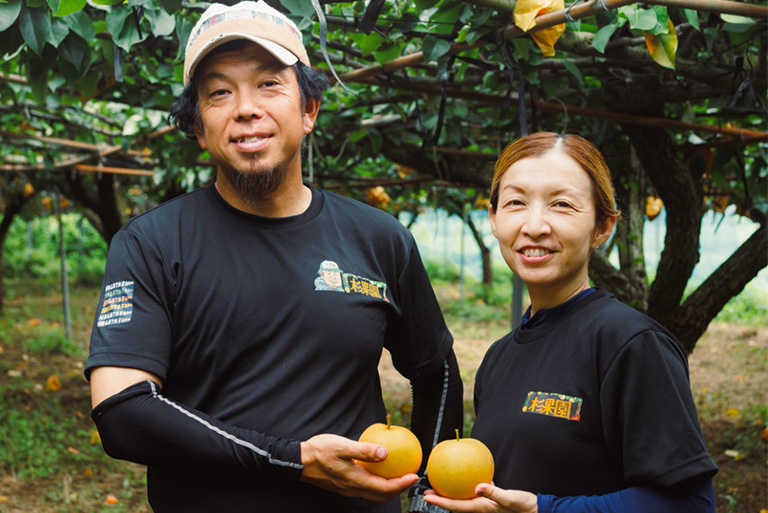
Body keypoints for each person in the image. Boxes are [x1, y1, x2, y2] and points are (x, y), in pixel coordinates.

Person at [85, 2, 463, 512]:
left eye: (269, 83)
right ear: (199, 127)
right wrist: (293, 460)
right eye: (219, 91)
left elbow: (435, 369)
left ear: (308, 110)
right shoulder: (151, 244)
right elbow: (122, 412)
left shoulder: (380, 238)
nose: (246, 107)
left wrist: (427, 496)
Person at [424, 132, 718, 513]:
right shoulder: (499, 357)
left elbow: (689, 504)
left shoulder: (630, 343)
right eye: (515, 202)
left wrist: (543, 509)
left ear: (603, 226)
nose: (534, 225)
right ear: (494, 219)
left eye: (562, 205)